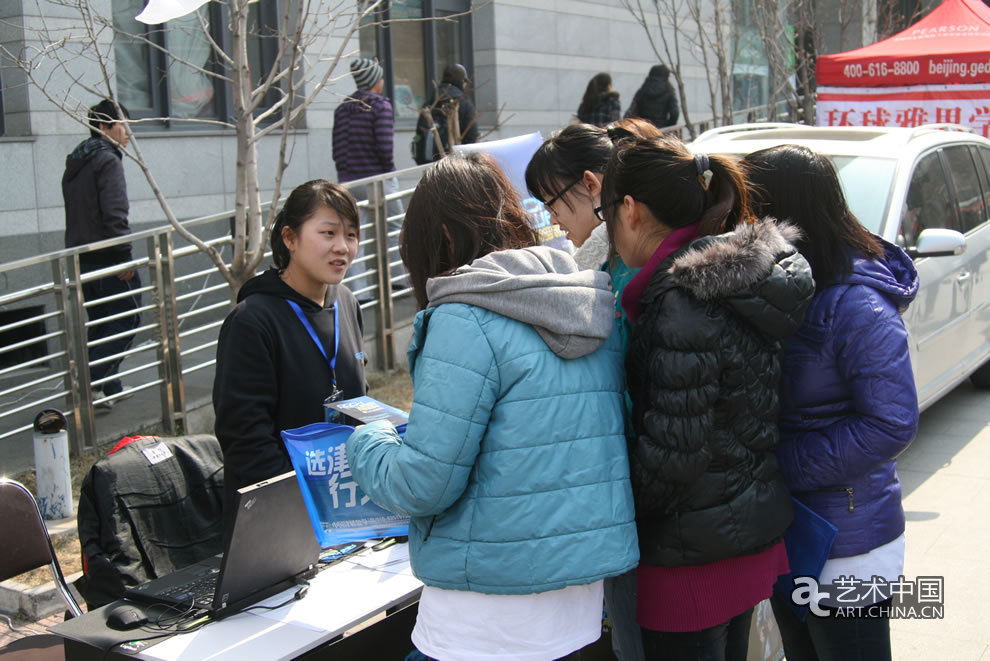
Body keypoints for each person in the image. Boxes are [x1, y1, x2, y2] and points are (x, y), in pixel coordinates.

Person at [346, 152, 639, 660]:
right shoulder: (586, 300)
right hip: (579, 606)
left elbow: (423, 483)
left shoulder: (465, 316)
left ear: (438, 236)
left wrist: (366, 440)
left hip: (483, 616)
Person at [599, 136, 814, 660]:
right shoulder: (733, 278)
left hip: (688, 553)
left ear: (629, 210)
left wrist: (614, 503)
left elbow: (676, 451)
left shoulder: (680, 299)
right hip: (741, 533)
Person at [742, 144, 919, 661]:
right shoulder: (789, 289)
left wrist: (784, 464)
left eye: (751, 209)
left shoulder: (858, 304)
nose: (742, 224)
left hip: (850, 540)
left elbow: (891, 423)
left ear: (784, 211)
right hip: (794, 528)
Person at [523, 117, 659, 661]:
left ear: (592, 185)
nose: (552, 220)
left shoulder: (618, 272)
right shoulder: (611, 263)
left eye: (553, 203)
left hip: (639, 501)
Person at [213, 179, 367, 536]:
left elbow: (358, 407)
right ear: (290, 238)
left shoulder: (347, 302)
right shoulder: (252, 321)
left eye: (351, 235)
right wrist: (306, 507)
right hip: (277, 523)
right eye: (328, 233)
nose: (342, 247)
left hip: (348, 509)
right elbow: (246, 442)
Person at [62, 99, 142, 410]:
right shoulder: (107, 159)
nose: (126, 134)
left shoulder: (77, 161)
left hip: (83, 255)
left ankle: (110, 386)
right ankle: (91, 383)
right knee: (128, 317)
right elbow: (114, 211)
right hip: (109, 256)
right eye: (122, 126)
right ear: (103, 128)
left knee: (100, 321)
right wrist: (124, 255)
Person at [332, 57, 403, 295]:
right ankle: (399, 280)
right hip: (379, 179)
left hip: (350, 181)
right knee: (395, 227)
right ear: (374, 80)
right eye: (380, 77)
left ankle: (358, 292)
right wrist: (390, 171)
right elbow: (384, 147)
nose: (383, 81)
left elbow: (337, 150)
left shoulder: (342, 108)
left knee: (353, 236)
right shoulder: (380, 105)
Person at [624, 64, 679, 128]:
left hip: (643, 129)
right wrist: (669, 125)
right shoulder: (669, 91)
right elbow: (675, 113)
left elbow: (631, 111)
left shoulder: (642, 91)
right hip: (661, 130)